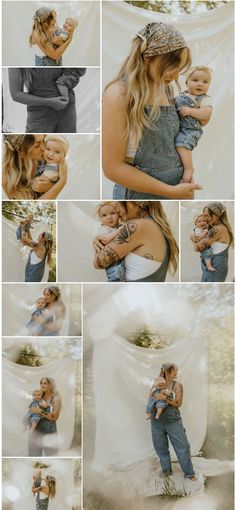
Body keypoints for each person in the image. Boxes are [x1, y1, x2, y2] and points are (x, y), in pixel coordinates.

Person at [103, 21, 202, 199]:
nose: (176, 75)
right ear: (149, 58)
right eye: (173, 67)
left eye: (180, 68)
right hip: (142, 196)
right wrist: (170, 192)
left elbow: (169, 141)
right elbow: (113, 169)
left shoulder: (167, 88)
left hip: (178, 188)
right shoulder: (119, 94)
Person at [94, 201, 178, 282]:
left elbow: (98, 262)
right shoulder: (159, 227)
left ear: (137, 204)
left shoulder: (137, 225)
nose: (117, 210)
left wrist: (98, 243)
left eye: (120, 202)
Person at [150, 363, 196, 480]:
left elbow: (178, 404)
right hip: (157, 420)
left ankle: (189, 472)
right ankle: (166, 471)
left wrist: (165, 397)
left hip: (173, 420)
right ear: (167, 371)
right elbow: (151, 399)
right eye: (174, 370)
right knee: (161, 447)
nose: (176, 373)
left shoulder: (177, 385)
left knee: (183, 446)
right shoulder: (156, 383)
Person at [8, 67, 86, 133]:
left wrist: (64, 83)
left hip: (66, 104)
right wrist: (50, 102)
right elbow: (16, 94)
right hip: (39, 112)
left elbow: (79, 64)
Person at [175, 66, 213, 183]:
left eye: (205, 82)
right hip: (179, 127)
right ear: (186, 82)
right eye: (195, 80)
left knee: (182, 144)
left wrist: (191, 111)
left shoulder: (204, 99)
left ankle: (188, 168)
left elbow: (206, 113)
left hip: (191, 130)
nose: (200, 84)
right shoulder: (181, 96)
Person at [3, 134, 68, 199]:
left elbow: (61, 154)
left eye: (43, 141)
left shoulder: (48, 157)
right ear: (21, 152)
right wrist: (62, 182)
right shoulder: (8, 178)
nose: (43, 148)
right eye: (37, 146)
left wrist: (51, 185)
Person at [191, 202, 234, 282]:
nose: (205, 219)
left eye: (207, 216)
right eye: (204, 216)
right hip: (214, 269)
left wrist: (192, 239)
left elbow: (198, 248)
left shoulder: (217, 229)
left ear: (217, 215)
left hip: (214, 270)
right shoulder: (221, 228)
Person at [28, 377, 61, 457]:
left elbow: (54, 417)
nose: (42, 385)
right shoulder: (38, 396)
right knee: (34, 457)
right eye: (41, 383)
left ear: (51, 385)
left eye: (45, 383)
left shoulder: (56, 398)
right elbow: (32, 411)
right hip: (35, 432)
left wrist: (40, 411)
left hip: (49, 433)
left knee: (52, 457)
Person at [96, 201, 126, 281]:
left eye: (112, 213)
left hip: (120, 264)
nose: (109, 217)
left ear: (118, 215)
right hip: (113, 267)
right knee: (116, 279)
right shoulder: (104, 228)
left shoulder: (118, 227)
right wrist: (118, 231)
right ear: (100, 219)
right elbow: (105, 240)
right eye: (104, 215)